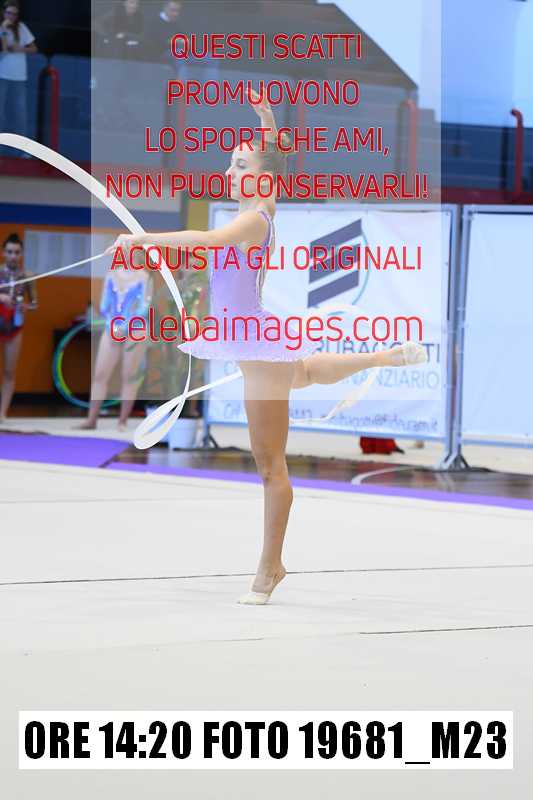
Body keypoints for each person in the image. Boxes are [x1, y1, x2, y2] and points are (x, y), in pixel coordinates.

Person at [107, 92, 427, 604]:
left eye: (240, 165)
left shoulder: (256, 219)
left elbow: (207, 242)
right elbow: (273, 157)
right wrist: (267, 119)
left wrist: (142, 240)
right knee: (303, 373)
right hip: (250, 337)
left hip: (256, 345)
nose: (229, 171)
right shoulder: (257, 205)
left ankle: (270, 566)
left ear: (263, 178)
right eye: (230, 163)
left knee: (269, 464)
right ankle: (382, 356)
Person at [77, 250, 152, 431]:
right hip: (113, 327)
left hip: (135, 329)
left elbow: (144, 307)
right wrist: (113, 325)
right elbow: (105, 305)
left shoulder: (145, 277)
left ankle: (122, 421)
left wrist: (125, 326)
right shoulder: (111, 275)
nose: (128, 255)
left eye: (133, 251)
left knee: (129, 376)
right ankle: (91, 419)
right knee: (100, 375)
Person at [0, 233, 37, 422]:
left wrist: (25, 306)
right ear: (3, 252)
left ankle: (2, 413)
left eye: (16, 252)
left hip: (14, 327)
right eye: (9, 252)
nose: (13, 256)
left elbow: (35, 304)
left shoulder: (27, 276)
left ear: (21, 254)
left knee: (9, 371)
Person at [0, 1, 37, 154]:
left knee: (20, 114)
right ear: (3, 13)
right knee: (1, 113)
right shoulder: (1, 28)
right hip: (2, 75)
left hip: (19, 77)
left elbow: (34, 48)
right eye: (9, 13)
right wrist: (4, 29)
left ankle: (22, 150)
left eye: (14, 14)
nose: (12, 16)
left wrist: (21, 48)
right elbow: (4, 49)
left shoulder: (21, 27)